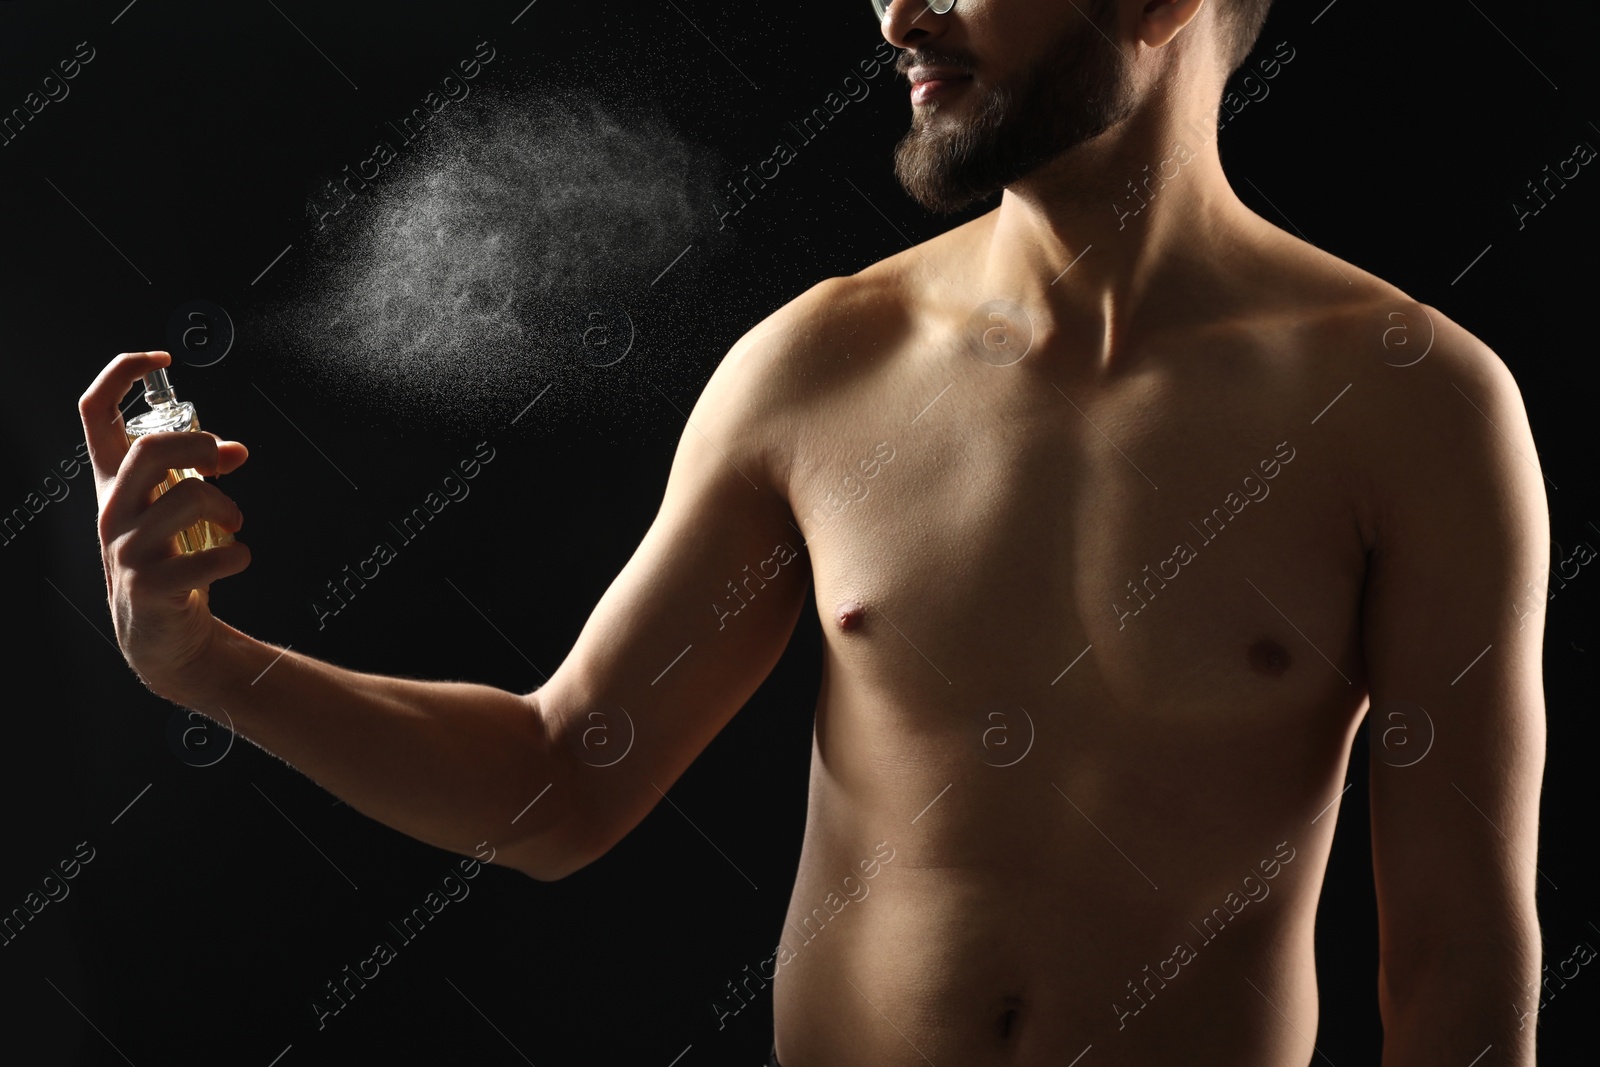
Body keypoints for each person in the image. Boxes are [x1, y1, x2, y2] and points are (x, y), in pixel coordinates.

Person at [80, 0, 1548, 1063]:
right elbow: (557, 784)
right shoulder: (820, 370)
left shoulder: (1408, 407)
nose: (900, 12)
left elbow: (1457, 966)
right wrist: (208, 667)